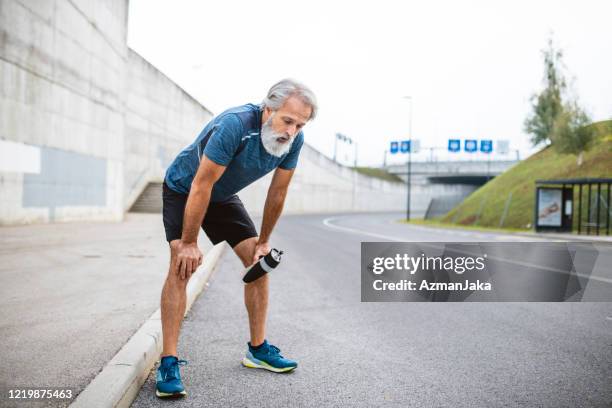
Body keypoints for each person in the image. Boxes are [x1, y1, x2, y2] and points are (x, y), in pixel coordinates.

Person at [156, 79, 317, 398]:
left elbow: (279, 191)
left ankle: (257, 350)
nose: (291, 131)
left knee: (260, 265)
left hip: (222, 195)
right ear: (269, 108)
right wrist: (188, 242)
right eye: (287, 120)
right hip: (184, 188)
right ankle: (168, 361)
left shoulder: (293, 141)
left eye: (300, 124)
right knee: (181, 265)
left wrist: (263, 243)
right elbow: (201, 185)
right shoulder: (235, 125)